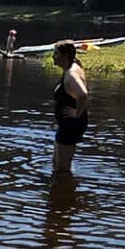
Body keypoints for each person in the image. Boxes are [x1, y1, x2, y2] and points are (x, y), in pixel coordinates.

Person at [51, 41, 89, 175]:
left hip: (70, 125)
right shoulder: (73, 66)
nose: (53, 56)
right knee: (56, 164)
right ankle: (63, 192)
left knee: (61, 169)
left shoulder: (71, 74)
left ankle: (63, 192)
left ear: (65, 55)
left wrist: (77, 114)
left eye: (56, 53)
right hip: (68, 124)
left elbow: (82, 94)